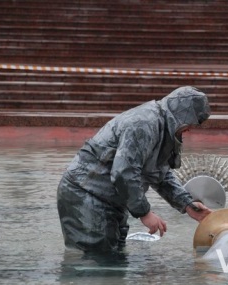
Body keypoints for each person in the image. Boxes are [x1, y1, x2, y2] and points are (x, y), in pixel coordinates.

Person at [57, 86, 212, 253]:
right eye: (190, 122)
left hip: (110, 201)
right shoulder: (144, 123)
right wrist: (144, 213)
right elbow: (124, 172)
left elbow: (159, 174)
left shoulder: (162, 128)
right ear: (179, 114)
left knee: (113, 258)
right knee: (95, 262)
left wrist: (186, 203)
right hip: (85, 195)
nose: (190, 128)